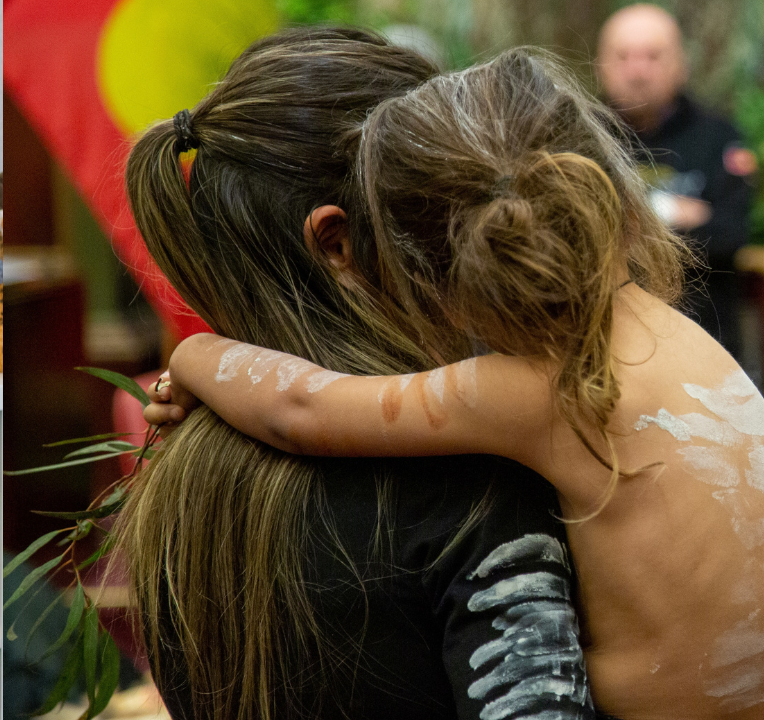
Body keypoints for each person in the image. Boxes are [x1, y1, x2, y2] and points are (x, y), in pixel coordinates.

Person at [144, 49, 764, 719]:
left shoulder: (538, 391)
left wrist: (199, 355)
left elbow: (301, 407)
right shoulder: (681, 343)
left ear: (454, 281)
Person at [118, 29, 596, 719]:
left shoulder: (179, 478)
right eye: (448, 212)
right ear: (337, 242)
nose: (487, 237)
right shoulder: (469, 478)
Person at [596, 3, 755, 358]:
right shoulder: (576, 136)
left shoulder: (719, 136)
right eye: (623, 57)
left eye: (653, 56)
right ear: (600, 65)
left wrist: (625, 222)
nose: (637, 71)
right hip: (604, 348)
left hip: (705, 345)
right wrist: (674, 214)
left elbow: (729, 235)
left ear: (680, 64)